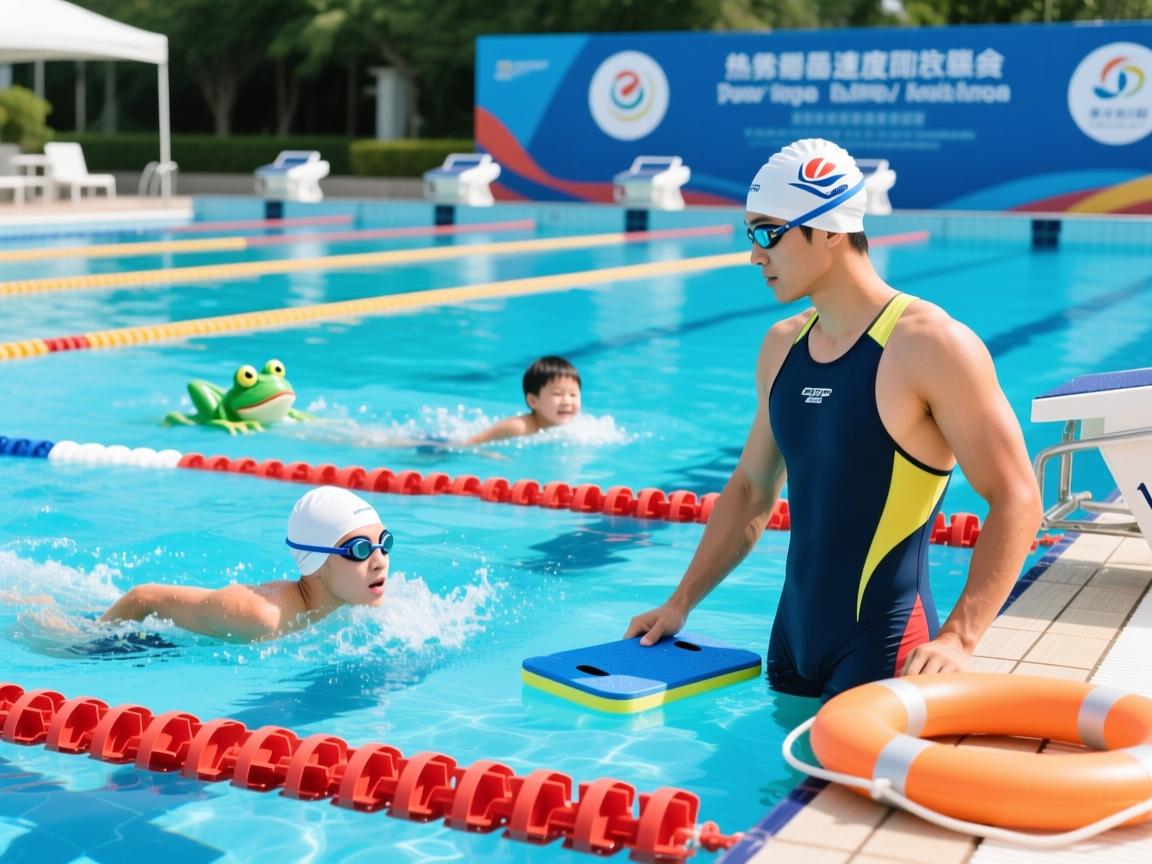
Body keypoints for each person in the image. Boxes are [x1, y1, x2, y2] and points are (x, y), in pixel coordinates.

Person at [624, 138, 1043, 701]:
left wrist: (959, 639)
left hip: (887, 645)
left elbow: (1017, 496)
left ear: (828, 227)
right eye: (750, 234)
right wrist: (680, 603)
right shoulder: (782, 345)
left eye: (769, 232)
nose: (755, 254)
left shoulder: (931, 345)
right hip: (792, 642)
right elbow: (751, 489)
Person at [99, 486, 392, 642]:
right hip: (144, 640)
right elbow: (144, 597)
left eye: (384, 543)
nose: (379, 561)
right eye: (360, 550)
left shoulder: (363, 599)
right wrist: (87, 641)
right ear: (315, 562)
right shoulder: (260, 616)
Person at [464, 355, 582, 445]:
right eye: (557, 394)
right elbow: (472, 443)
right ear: (533, 401)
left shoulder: (579, 426)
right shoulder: (519, 427)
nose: (567, 401)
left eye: (573, 394)